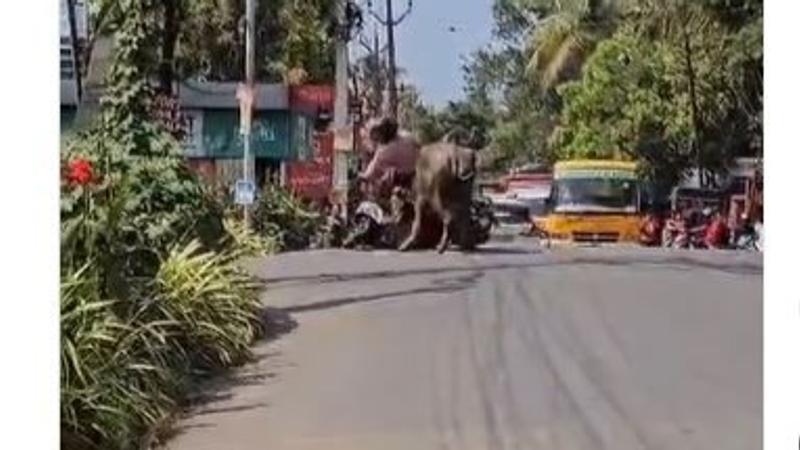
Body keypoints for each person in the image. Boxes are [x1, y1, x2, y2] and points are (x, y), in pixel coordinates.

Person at [358, 117, 420, 199]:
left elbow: (369, 174)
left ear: (380, 136)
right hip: (421, 170)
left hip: (410, 179)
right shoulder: (405, 134)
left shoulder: (385, 151)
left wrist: (358, 175)